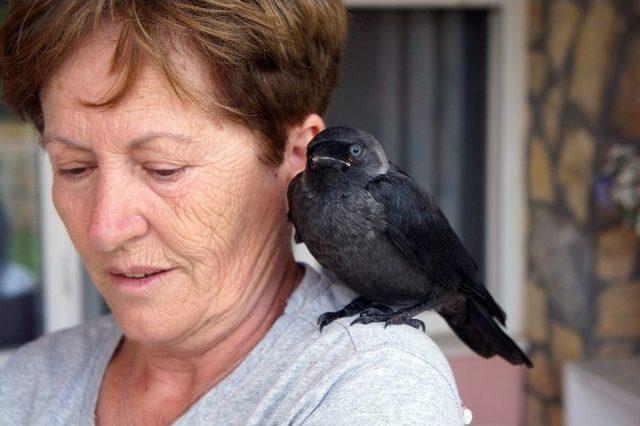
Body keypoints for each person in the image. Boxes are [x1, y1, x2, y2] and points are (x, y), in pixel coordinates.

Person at [0, 1, 464, 424]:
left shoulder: (372, 394)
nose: (104, 229)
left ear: (297, 158)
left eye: (164, 169)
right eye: (74, 167)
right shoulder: (27, 382)